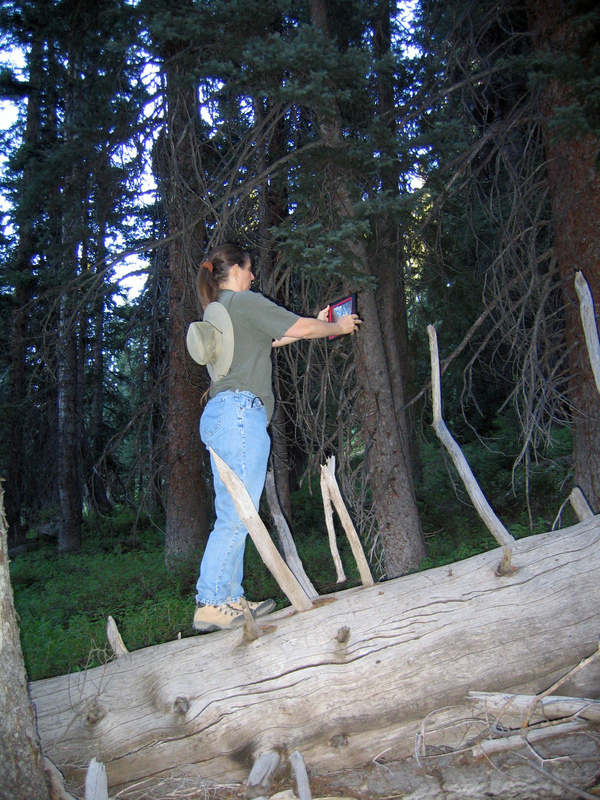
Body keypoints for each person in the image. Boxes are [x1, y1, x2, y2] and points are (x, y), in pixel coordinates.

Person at [191, 243, 362, 632]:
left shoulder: (220, 312)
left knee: (231, 513)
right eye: (250, 270)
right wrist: (336, 326)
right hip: (240, 417)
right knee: (239, 514)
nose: (253, 276)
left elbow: (272, 339)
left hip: (219, 415)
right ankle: (211, 602)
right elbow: (296, 327)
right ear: (236, 270)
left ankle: (227, 597)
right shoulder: (244, 301)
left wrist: (310, 324)